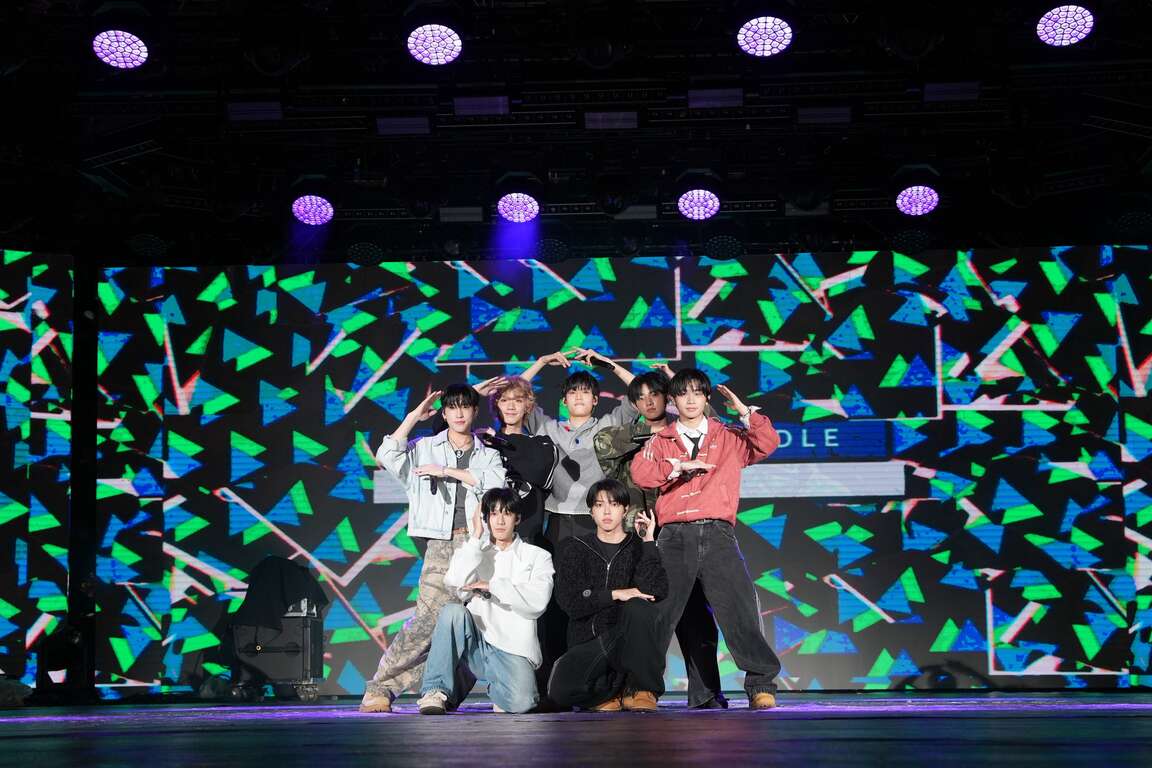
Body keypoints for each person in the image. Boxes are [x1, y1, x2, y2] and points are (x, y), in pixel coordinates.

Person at [630, 369, 783, 710]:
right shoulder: (661, 439)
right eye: (683, 394)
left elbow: (767, 443)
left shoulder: (727, 435)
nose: (690, 400)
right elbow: (640, 474)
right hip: (674, 535)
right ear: (673, 400)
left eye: (697, 393)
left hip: (717, 533)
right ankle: (644, 688)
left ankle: (760, 685)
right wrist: (676, 468)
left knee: (740, 610)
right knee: (659, 613)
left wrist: (744, 411)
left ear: (706, 398)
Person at [360, 384, 507, 713]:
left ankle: (446, 692)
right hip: (442, 543)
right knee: (427, 620)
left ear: (475, 411)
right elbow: (386, 455)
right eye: (452, 407)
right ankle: (381, 688)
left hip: (481, 544)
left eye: (465, 406)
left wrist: (447, 472)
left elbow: (496, 484)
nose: (459, 413)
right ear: (443, 413)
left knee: (476, 623)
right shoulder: (425, 447)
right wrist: (414, 416)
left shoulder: (488, 453)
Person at [594, 368, 728, 710]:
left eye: (655, 394)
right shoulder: (627, 436)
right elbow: (603, 444)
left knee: (696, 614)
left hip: (684, 530)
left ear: (668, 398)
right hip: (640, 537)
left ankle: (705, 692)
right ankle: (635, 689)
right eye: (640, 398)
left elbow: (715, 424)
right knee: (639, 614)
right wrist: (656, 432)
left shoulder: (690, 434)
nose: (648, 402)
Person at [417, 487, 554, 715]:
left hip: (513, 648)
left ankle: (495, 686)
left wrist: (493, 586)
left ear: (517, 518)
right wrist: (474, 537)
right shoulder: (476, 551)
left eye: (506, 513)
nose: (499, 521)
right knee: (452, 612)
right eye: (493, 514)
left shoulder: (537, 556)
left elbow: (537, 602)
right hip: (477, 642)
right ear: (486, 518)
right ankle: (435, 690)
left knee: (523, 703)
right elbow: (455, 584)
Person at [548, 479, 668, 712]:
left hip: (626, 639)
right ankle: (607, 694)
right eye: (599, 505)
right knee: (559, 691)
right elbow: (570, 602)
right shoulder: (575, 548)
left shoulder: (637, 547)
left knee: (638, 607)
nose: (606, 512)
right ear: (591, 511)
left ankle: (642, 689)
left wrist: (648, 542)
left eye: (613, 504)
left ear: (625, 510)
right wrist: (615, 594)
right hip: (591, 644)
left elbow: (655, 591)